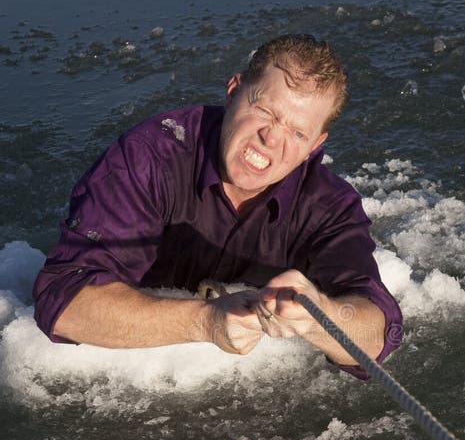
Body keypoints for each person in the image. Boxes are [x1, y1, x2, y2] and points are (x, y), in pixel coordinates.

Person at [33, 34, 402, 378]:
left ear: (315, 145)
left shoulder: (329, 206)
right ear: (234, 91)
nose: (272, 139)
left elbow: (376, 332)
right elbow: (64, 303)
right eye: (266, 111)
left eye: (297, 132)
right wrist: (205, 322)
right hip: (135, 364)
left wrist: (320, 317)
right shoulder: (150, 157)